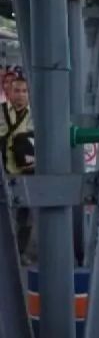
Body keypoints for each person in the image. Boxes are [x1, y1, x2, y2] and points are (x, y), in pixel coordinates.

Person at [0, 77, 34, 262]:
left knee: (25, 218)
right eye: (17, 91)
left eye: (24, 91)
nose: (20, 95)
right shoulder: (1, 112)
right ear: (9, 93)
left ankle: (19, 253)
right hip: (4, 173)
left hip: (27, 174)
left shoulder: (35, 116)